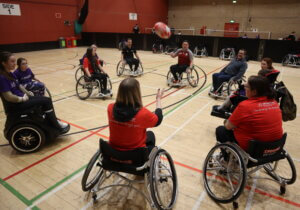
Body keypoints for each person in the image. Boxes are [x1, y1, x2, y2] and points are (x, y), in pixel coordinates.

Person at [0, 51, 69, 133]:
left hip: (22, 99)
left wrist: (28, 94)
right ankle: (56, 124)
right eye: (12, 61)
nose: (14, 63)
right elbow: (9, 97)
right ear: (3, 63)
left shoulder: (11, 74)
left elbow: (20, 86)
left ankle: (52, 120)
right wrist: (21, 99)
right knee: (46, 101)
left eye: (14, 61)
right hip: (15, 105)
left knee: (44, 99)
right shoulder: (2, 78)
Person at [216, 75, 283, 152]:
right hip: (275, 146)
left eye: (246, 86)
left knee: (221, 130)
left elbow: (228, 127)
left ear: (254, 92)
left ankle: (226, 158)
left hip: (254, 148)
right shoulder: (274, 103)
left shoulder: (245, 105)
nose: (244, 87)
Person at [107, 78, 164, 152]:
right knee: (151, 135)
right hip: (134, 156)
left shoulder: (110, 108)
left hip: (113, 151)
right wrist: (158, 99)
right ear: (137, 93)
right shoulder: (142, 113)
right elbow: (158, 119)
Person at [215, 57, 279, 112]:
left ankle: (223, 107)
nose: (262, 65)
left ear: (269, 65)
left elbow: (257, 83)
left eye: (264, 64)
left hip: (257, 92)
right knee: (239, 89)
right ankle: (226, 106)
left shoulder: (263, 73)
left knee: (233, 94)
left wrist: (246, 85)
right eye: (261, 63)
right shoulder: (271, 74)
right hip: (260, 91)